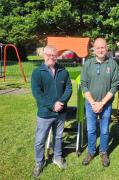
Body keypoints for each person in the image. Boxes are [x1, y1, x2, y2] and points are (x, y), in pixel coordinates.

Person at [31, 45, 72, 177]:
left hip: (61, 112)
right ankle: (39, 161)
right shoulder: (37, 72)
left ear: (57, 56)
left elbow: (68, 88)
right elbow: (37, 93)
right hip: (45, 113)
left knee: (58, 136)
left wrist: (61, 102)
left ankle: (57, 157)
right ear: (44, 55)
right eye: (48, 54)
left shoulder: (63, 71)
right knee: (40, 139)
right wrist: (52, 105)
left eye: (53, 55)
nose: (51, 57)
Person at [81, 38, 119, 167]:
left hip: (106, 104)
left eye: (103, 47)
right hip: (90, 104)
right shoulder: (88, 64)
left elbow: (115, 85)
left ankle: (103, 152)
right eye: (98, 48)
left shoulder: (113, 64)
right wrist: (93, 103)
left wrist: (102, 103)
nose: (100, 50)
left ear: (107, 48)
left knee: (104, 131)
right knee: (91, 129)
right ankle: (91, 152)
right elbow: (84, 85)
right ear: (94, 50)